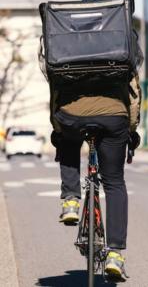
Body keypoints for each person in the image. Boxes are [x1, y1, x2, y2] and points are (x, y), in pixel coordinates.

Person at [50, 48, 141, 281]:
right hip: (113, 117)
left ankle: (70, 201)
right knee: (114, 183)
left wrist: (58, 128)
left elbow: (55, 90)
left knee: (67, 142)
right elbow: (133, 96)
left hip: (71, 114)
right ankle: (115, 254)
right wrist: (131, 130)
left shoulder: (65, 46)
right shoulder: (120, 44)